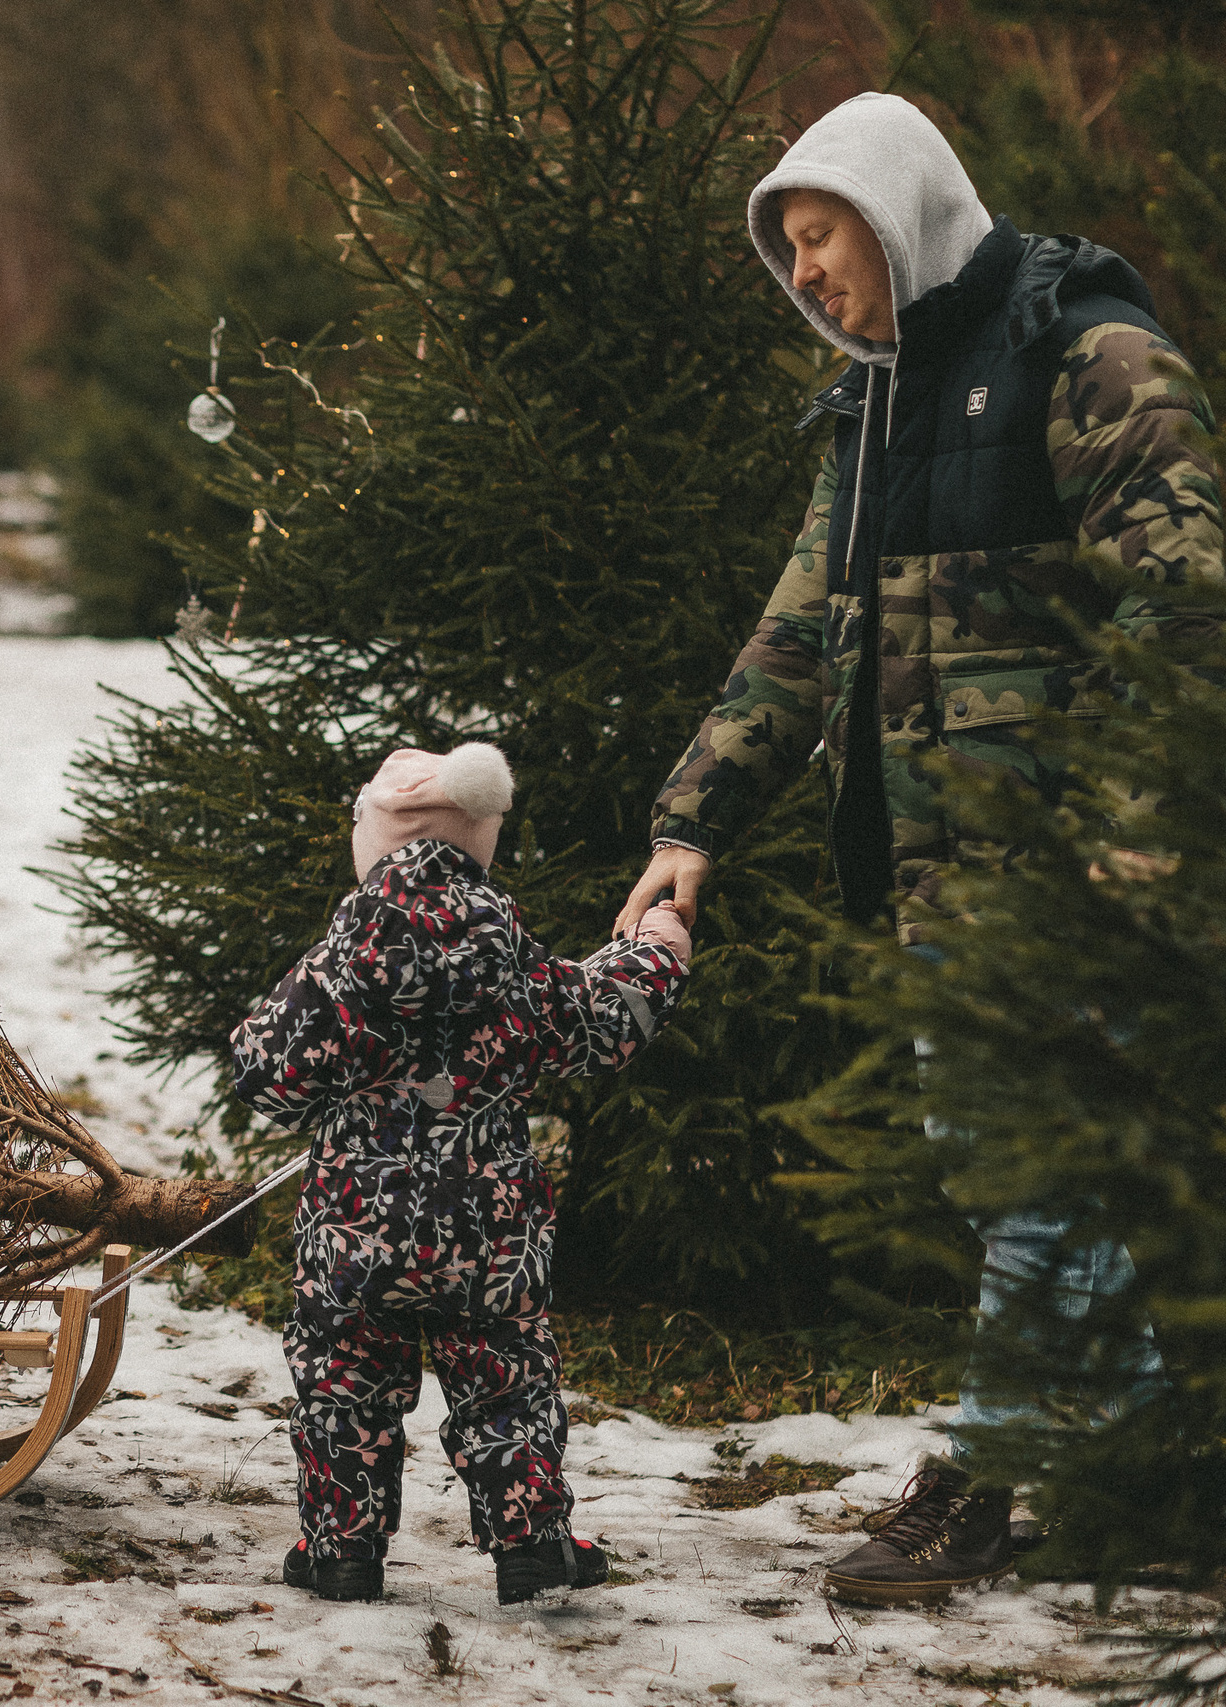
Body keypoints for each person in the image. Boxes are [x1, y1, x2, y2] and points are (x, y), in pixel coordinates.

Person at [614, 93, 1221, 1605]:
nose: (806, 274)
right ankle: (1157, 1486)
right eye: (793, 254)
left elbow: (1195, 619)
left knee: (1040, 1175)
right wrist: (694, 823)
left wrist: (1120, 867)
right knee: (1012, 1172)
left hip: (1084, 888)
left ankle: (989, 1478)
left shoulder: (1088, 358)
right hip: (949, 883)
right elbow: (801, 629)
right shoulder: (872, 409)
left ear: (895, 211)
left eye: (820, 238)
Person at [232, 744, 691, 1607]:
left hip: (355, 1233)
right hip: (489, 1236)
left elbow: (263, 1070)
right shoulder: (509, 955)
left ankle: (341, 1551)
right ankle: (530, 1545)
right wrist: (656, 946)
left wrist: (346, 1058)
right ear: (475, 842)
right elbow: (603, 1022)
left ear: (373, 838)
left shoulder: (342, 962)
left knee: (343, 1380)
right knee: (506, 1379)